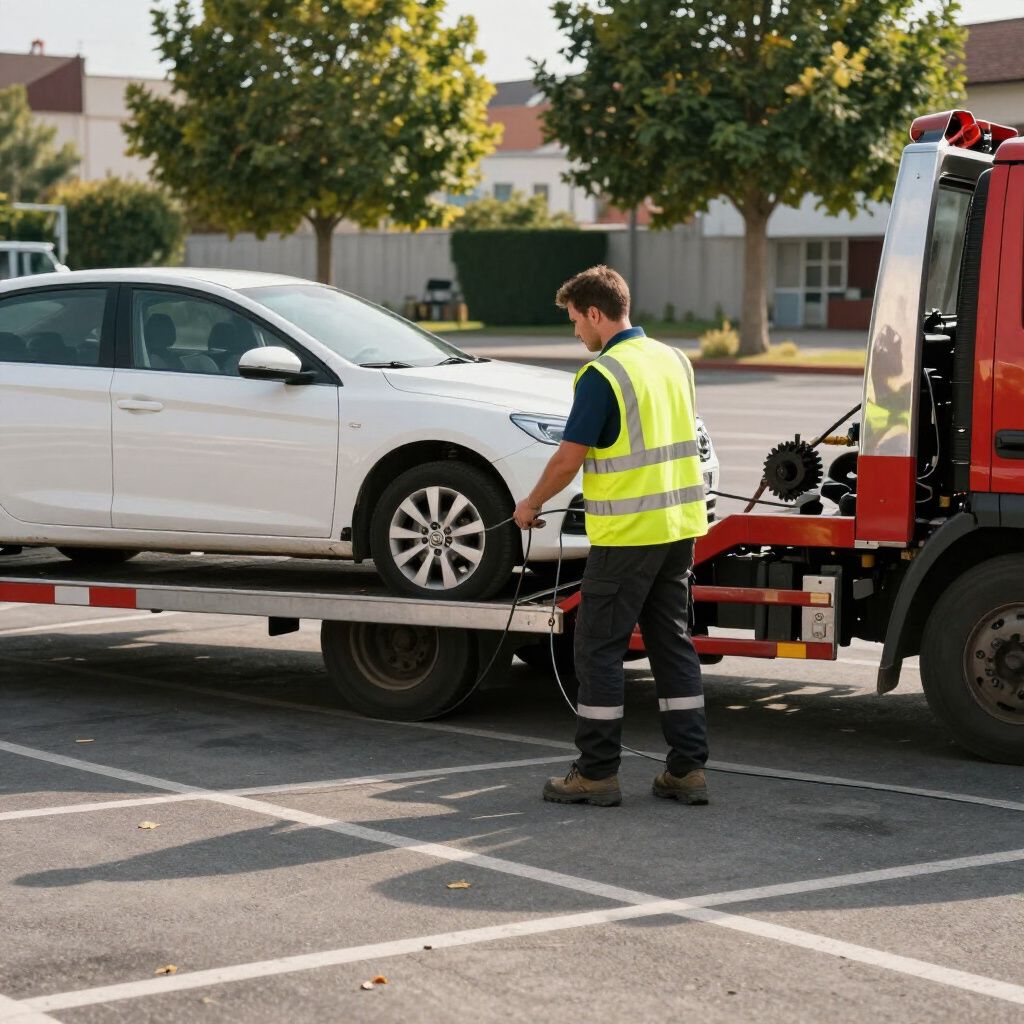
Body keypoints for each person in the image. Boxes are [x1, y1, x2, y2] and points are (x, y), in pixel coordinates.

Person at [513, 265, 710, 808]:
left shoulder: (603, 374)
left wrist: (531, 505)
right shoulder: (674, 360)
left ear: (596, 313)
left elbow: (568, 458)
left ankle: (597, 773)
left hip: (627, 534)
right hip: (680, 529)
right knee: (673, 645)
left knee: (597, 648)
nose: (575, 331)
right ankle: (687, 770)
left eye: (576, 320)